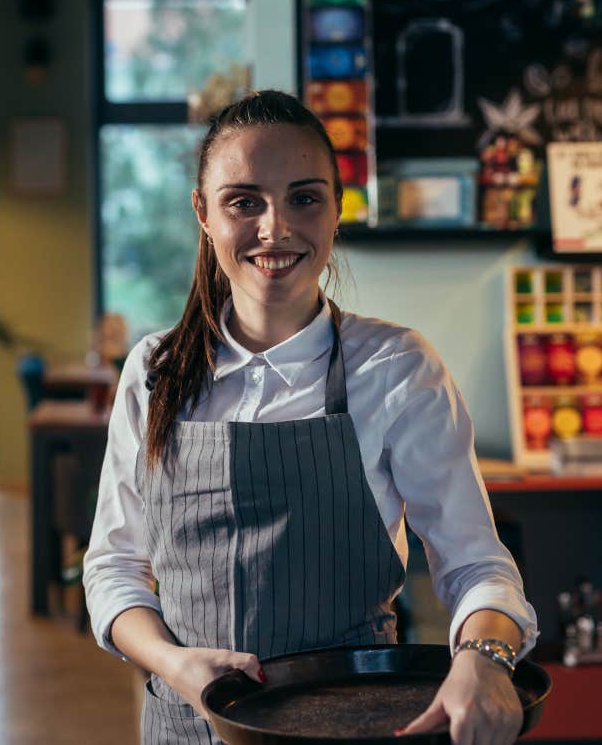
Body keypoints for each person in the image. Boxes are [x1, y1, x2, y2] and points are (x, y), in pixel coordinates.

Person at [83, 90, 539, 745]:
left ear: (336, 208)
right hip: (182, 726)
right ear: (203, 214)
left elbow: (476, 565)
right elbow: (113, 568)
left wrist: (482, 657)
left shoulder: (396, 368)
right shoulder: (154, 373)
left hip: (351, 726)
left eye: (304, 197)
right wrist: (175, 663)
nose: (276, 228)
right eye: (244, 201)